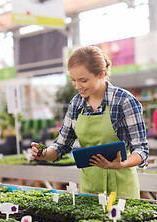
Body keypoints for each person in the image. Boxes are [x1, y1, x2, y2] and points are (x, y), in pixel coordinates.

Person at [31, 46, 149, 198]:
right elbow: (61, 145)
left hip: (122, 188)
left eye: (83, 80)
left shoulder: (124, 101)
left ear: (101, 74)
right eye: (73, 80)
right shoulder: (76, 104)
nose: (77, 86)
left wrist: (122, 164)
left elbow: (141, 149)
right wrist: (45, 154)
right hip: (90, 189)